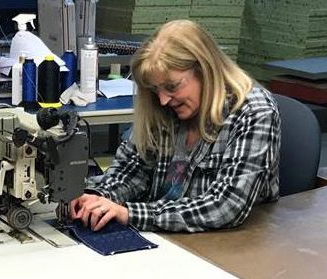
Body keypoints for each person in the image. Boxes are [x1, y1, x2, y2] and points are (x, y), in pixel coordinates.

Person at [70, 19, 281, 232]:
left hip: (224, 245)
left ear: (205, 69)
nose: (163, 100)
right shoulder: (164, 108)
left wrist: (130, 213)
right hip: (166, 237)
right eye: (155, 89)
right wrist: (98, 198)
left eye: (172, 86)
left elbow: (225, 206)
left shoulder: (253, 111)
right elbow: (132, 171)